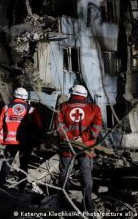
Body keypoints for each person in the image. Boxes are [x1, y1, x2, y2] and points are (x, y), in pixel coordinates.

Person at [56, 84, 102, 212]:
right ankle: (88, 206)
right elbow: (96, 128)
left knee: (64, 173)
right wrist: (83, 138)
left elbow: (59, 127)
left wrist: (71, 138)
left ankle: (61, 203)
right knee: (86, 174)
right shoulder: (94, 108)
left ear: (72, 93)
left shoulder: (62, 107)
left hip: (67, 146)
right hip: (86, 147)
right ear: (85, 95)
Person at [0, 87, 43, 191]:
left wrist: (4, 136)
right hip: (25, 142)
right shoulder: (30, 109)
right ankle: (21, 187)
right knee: (24, 164)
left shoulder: (6, 107)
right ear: (25, 97)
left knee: (7, 162)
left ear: (14, 95)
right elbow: (39, 126)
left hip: (10, 142)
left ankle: (0, 184)